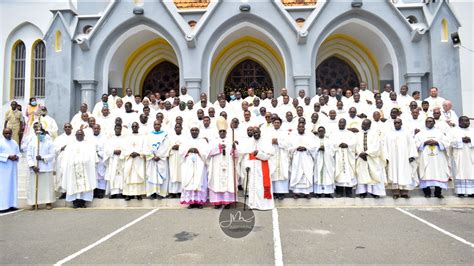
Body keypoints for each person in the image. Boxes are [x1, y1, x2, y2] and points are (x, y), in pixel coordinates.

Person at [237, 127, 275, 210]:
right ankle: (253, 204)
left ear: (260, 132)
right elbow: (247, 156)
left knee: (261, 187)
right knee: (253, 186)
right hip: (252, 168)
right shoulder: (250, 142)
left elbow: (268, 156)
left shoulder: (265, 142)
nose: (256, 134)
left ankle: (264, 205)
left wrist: (258, 154)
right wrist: (246, 166)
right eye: (254, 133)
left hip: (262, 167)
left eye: (257, 132)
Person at [415, 117, 450, 198]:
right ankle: (427, 193)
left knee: (439, 173)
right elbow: (415, 143)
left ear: (434, 123)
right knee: (426, 173)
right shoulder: (420, 133)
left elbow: (447, 143)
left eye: (430, 121)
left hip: (438, 158)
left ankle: (438, 193)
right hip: (425, 157)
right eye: (426, 121)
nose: (428, 123)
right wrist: (424, 143)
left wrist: (437, 142)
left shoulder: (440, 133)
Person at [61, 130, 98, 208]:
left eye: (81, 134)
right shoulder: (70, 145)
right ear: (75, 135)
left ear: (84, 135)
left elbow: (93, 157)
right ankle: (75, 202)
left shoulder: (89, 145)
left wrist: (87, 161)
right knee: (73, 184)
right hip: (73, 168)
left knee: (86, 185)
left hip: (86, 168)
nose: (79, 136)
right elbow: (66, 157)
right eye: (78, 134)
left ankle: (83, 202)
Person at [385, 118, 418, 199]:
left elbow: (411, 145)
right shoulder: (389, 134)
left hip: (404, 158)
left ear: (401, 123)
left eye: (398, 122)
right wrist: (386, 157)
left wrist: (411, 156)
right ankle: (395, 192)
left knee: (405, 173)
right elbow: (385, 146)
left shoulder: (406, 133)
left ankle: (404, 192)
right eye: (395, 123)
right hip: (393, 158)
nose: (396, 124)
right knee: (394, 173)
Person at [207, 117, 237, 208]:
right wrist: (219, 148)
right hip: (217, 165)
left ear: (226, 132)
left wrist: (234, 148)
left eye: (224, 131)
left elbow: (236, 154)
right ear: (218, 132)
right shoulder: (214, 141)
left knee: (228, 183)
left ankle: (227, 202)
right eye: (221, 131)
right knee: (217, 182)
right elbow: (208, 152)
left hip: (228, 166)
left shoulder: (230, 141)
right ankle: (217, 202)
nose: (222, 133)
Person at [179, 125, 209, 209]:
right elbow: (181, 151)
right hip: (188, 162)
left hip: (200, 162)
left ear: (199, 131)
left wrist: (198, 151)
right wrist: (188, 150)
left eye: (196, 130)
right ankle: (191, 202)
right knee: (189, 181)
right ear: (190, 131)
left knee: (200, 181)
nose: (194, 132)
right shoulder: (186, 140)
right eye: (192, 130)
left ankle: (199, 202)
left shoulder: (203, 141)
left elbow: (206, 152)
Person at [354, 119, 386, 198]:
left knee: (374, 175)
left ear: (369, 125)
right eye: (362, 124)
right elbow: (356, 145)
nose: (362, 126)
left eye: (364, 125)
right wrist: (360, 153)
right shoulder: (358, 134)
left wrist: (367, 153)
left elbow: (376, 147)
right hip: (361, 158)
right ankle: (362, 192)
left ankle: (375, 192)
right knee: (362, 174)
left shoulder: (375, 135)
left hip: (372, 158)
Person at [26, 126, 56, 210]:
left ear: (44, 133)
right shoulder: (32, 143)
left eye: (42, 133)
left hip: (46, 167)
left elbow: (53, 154)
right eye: (39, 134)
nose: (40, 135)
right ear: (36, 134)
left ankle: (48, 202)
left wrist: (42, 158)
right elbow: (28, 155)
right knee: (34, 186)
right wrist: (32, 166)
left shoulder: (49, 143)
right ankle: (34, 202)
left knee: (47, 186)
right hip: (35, 168)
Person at [289, 123, 316, 199]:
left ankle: (307, 193)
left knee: (307, 173)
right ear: (297, 128)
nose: (301, 128)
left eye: (302, 127)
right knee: (296, 173)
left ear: (304, 128)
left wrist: (305, 148)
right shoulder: (293, 137)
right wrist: (296, 148)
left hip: (306, 157)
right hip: (297, 157)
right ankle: (296, 193)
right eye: (299, 127)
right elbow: (289, 147)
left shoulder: (310, 136)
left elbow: (314, 147)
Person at [331, 118, 357, 198]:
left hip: (348, 156)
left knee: (348, 173)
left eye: (343, 123)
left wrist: (347, 145)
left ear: (345, 124)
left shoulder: (350, 134)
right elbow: (331, 143)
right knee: (339, 173)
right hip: (338, 155)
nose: (341, 124)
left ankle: (349, 192)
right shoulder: (334, 133)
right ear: (338, 123)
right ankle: (339, 191)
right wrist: (338, 144)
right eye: (340, 123)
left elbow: (354, 143)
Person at [145, 120, 170, 199]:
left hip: (161, 159)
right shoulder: (149, 135)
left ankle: (161, 193)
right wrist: (152, 156)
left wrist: (159, 156)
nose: (156, 126)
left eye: (158, 124)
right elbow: (146, 147)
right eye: (155, 124)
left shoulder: (165, 135)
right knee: (152, 175)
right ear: (153, 125)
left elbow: (167, 147)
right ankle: (152, 192)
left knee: (161, 176)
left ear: (160, 125)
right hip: (151, 160)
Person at [450, 116, 474, 197]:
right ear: (459, 122)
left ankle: (472, 191)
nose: (467, 122)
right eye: (465, 121)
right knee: (459, 172)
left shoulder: (472, 130)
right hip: (459, 155)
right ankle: (460, 192)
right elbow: (450, 142)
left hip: (471, 155)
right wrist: (461, 140)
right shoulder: (453, 131)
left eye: (468, 121)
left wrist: (471, 140)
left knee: (471, 172)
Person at [123, 122, 146, 200]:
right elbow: (124, 148)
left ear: (138, 127)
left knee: (138, 177)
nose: (135, 127)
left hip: (138, 159)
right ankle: (128, 194)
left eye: (136, 126)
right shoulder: (127, 137)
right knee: (129, 177)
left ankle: (138, 194)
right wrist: (130, 153)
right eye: (133, 126)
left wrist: (138, 153)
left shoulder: (142, 137)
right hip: (129, 159)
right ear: (131, 127)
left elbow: (145, 148)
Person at [268, 117, 290, 200]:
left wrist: (278, 142)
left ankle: (281, 193)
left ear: (280, 124)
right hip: (272, 155)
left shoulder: (284, 133)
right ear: (273, 123)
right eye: (275, 122)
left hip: (282, 155)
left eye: (278, 122)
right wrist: (271, 141)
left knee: (282, 172)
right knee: (272, 172)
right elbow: (265, 142)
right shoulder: (269, 132)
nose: (276, 124)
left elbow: (288, 144)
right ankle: (273, 192)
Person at [0, 128, 21, 213]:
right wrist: (8, 156)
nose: (8, 135)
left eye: (9, 133)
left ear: (12, 133)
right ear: (3, 133)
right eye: (6, 133)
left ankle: (11, 205)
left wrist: (16, 156)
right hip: (3, 168)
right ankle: (2, 206)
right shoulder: (1, 142)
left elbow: (19, 153)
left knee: (12, 186)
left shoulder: (14, 142)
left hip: (12, 168)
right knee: (3, 187)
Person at [104, 124, 127, 198]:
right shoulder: (110, 139)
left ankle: (121, 192)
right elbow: (106, 150)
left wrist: (121, 152)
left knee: (121, 176)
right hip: (113, 160)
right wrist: (113, 151)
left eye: (119, 128)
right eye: (116, 128)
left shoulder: (124, 139)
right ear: (114, 129)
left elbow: (127, 149)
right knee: (113, 175)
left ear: (121, 129)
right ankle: (113, 192)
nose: (118, 130)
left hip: (121, 159)